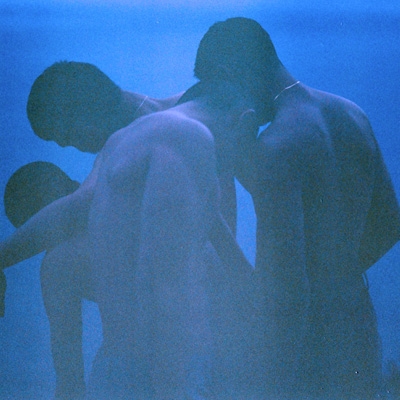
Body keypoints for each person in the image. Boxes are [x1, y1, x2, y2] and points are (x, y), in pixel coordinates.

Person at [0, 70, 258, 399]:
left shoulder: (162, 132)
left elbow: (77, 208)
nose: (75, 147)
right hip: (183, 339)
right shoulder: (188, 121)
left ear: (85, 108)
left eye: (69, 135)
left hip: (178, 344)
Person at [193, 17, 400, 399]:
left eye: (216, 89)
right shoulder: (352, 113)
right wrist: (336, 278)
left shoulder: (275, 148)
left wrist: (273, 384)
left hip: (308, 349)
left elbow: (290, 289)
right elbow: (390, 224)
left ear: (228, 73)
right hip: (357, 324)